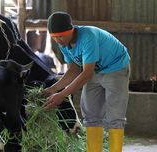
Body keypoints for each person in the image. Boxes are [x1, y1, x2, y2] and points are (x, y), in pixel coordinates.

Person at [42, 12, 130, 152]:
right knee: (90, 114)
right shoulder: (63, 43)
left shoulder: (88, 36)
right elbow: (73, 70)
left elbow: (86, 73)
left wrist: (62, 94)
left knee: (115, 116)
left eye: (61, 36)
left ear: (71, 30)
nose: (59, 40)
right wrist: (53, 89)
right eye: (55, 37)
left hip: (115, 67)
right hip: (94, 69)